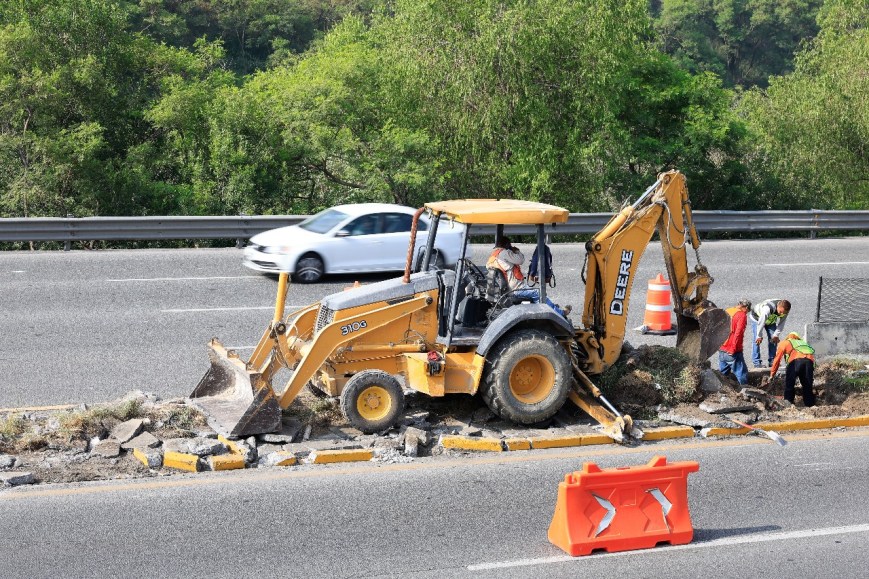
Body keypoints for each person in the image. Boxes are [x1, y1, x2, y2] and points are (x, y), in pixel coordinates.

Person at [486, 237, 571, 319]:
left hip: (504, 289)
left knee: (535, 293)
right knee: (539, 293)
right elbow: (520, 260)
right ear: (507, 244)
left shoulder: (493, 255)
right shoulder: (505, 253)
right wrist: (516, 251)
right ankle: (559, 313)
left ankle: (552, 307)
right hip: (514, 289)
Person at [770, 332, 816, 407]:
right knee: (807, 385)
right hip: (809, 363)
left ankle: (788, 404)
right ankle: (810, 405)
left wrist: (772, 373)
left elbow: (777, 359)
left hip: (796, 362)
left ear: (788, 337)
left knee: (790, 384)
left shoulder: (785, 342)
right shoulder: (803, 343)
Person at [749, 299, 791, 368]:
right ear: (778, 307)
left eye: (784, 313)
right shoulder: (767, 309)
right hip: (757, 318)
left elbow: (781, 324)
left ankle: (772, 361)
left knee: (773, 340)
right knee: (757, 341)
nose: (781, 314)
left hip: (770, 320)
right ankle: (756, 363)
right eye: (780, 312)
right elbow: (761, 322)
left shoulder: (785, 311)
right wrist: (759, 336)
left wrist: (776, 335)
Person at [719, 298, 751, 384]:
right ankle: (746, 392)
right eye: (747, 311)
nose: (747, 313)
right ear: (746, 307)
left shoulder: (728, 311)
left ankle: (723, 393)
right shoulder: (742, 315)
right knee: (742, 373)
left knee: (722, 375)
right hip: (732, 351)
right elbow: (738, 334)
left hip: (722, 349)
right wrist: (733, 349)